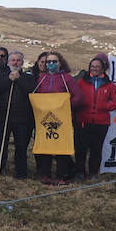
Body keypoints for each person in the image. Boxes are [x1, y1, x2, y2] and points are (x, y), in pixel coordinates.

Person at [32, 51, 86, 185]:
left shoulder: (66, 78)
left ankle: (62, 175)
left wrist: (66, 106)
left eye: (54, 61)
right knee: (46, 145)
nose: (51, 64)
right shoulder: (42, 78)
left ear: (60, 63)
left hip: (63, 119)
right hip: (46, 118)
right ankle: (46, 174)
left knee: (61, 147)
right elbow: (38, 95)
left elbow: (79, 96)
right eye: (48, 62)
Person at [73, 54, 116, 181]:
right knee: (80, 148)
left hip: (101, 122)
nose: (94, 69)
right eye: (92, 66)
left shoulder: (109, 85)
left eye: (97, 66)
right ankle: (80, 172)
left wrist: (105, 105)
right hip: (83, 120)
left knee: (96, 149)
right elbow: (73, 96)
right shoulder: (81, 82)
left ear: (103, 68)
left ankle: (93, 172)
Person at [0, 50, 36, 178]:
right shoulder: (2, 75)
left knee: (21, 147)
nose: (15, 62)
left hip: (22, 119)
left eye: (18, 60)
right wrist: (9, 80)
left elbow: (31, 90)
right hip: (4, 117)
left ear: (22, 62)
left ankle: (21, 173)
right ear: (8, 62)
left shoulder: (28, 77)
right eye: (13, 60)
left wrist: (19, 79)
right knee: (1, 145)